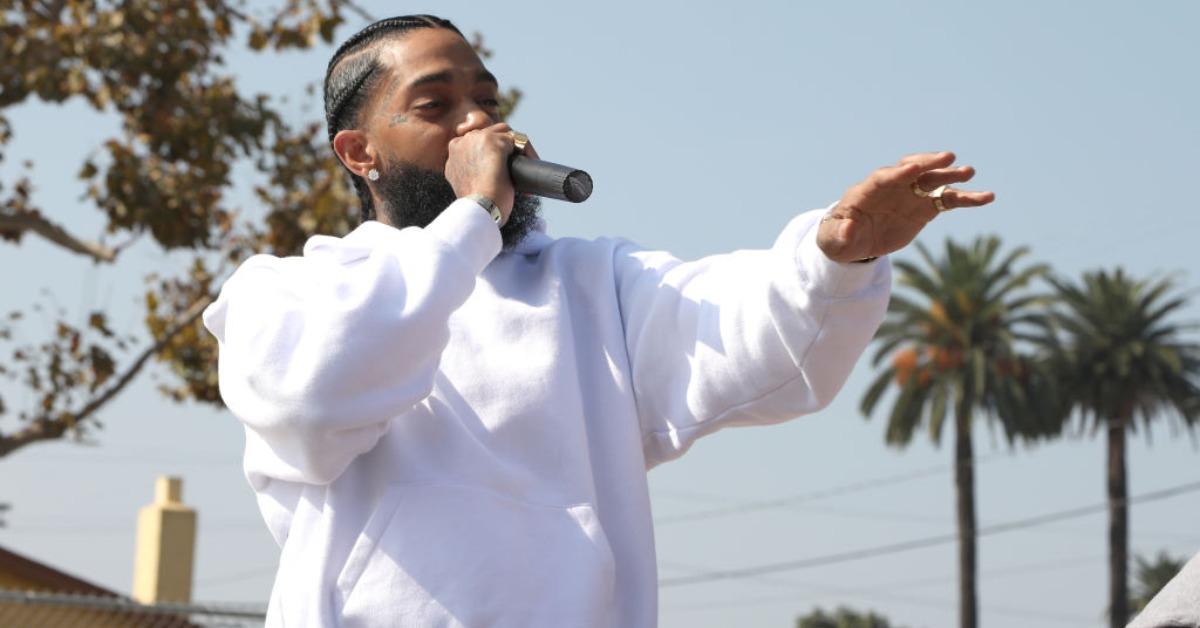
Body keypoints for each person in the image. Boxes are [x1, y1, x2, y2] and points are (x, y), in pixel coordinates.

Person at [202, 14, 995, 628]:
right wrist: (474, 214)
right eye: (437, 105)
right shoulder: (290, 292)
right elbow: (316, 397)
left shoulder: (590, 286)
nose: (478, 124)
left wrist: (833, 257)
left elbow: (751, 336)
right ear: (359, 152)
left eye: (487, 99)